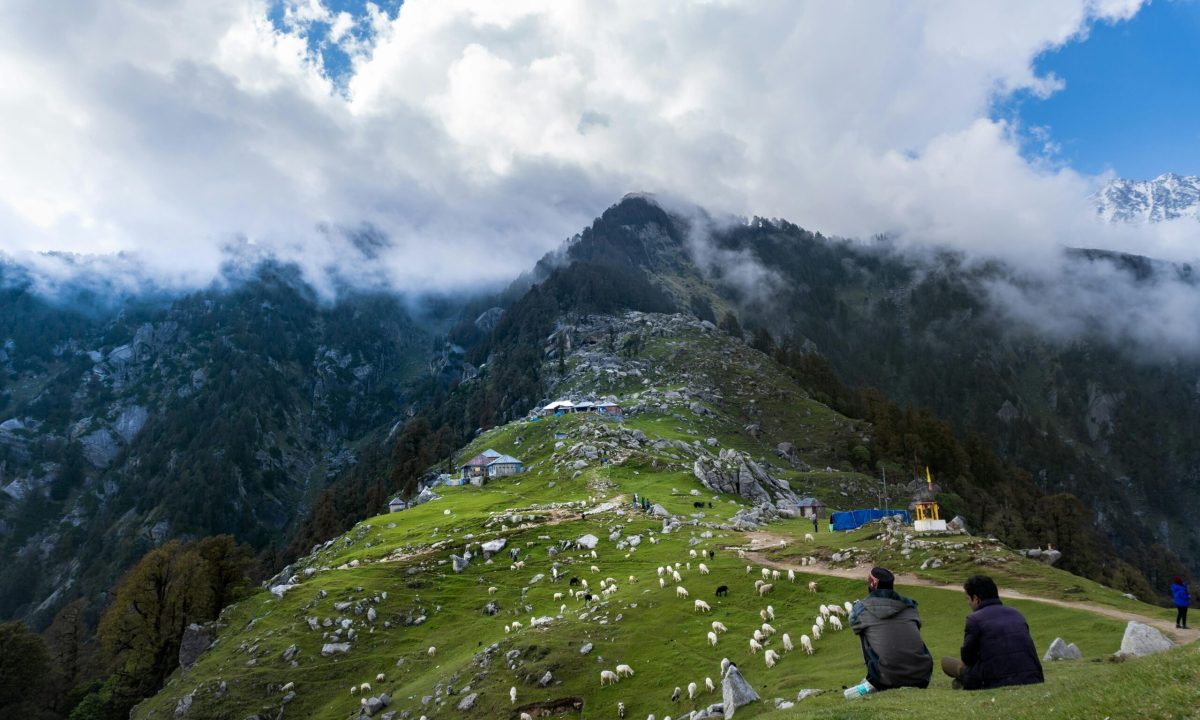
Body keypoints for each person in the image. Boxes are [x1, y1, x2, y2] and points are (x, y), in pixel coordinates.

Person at [941, 575, 1043, 690]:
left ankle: (963, 683)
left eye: (968, 599)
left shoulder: (975, 619)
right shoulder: (1017, 614)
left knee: (946, 662)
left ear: (976, 599)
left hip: (994, 680)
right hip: (1032, 677)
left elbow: (967, 658)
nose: (968, 603)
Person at [849, 567, 933, 691]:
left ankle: (875, 678)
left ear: (873, 584)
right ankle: (912, 670)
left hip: (886, 679)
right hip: (923, 676)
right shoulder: (911, 606)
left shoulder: (861, 609)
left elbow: (854, 625)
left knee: (863, 632)